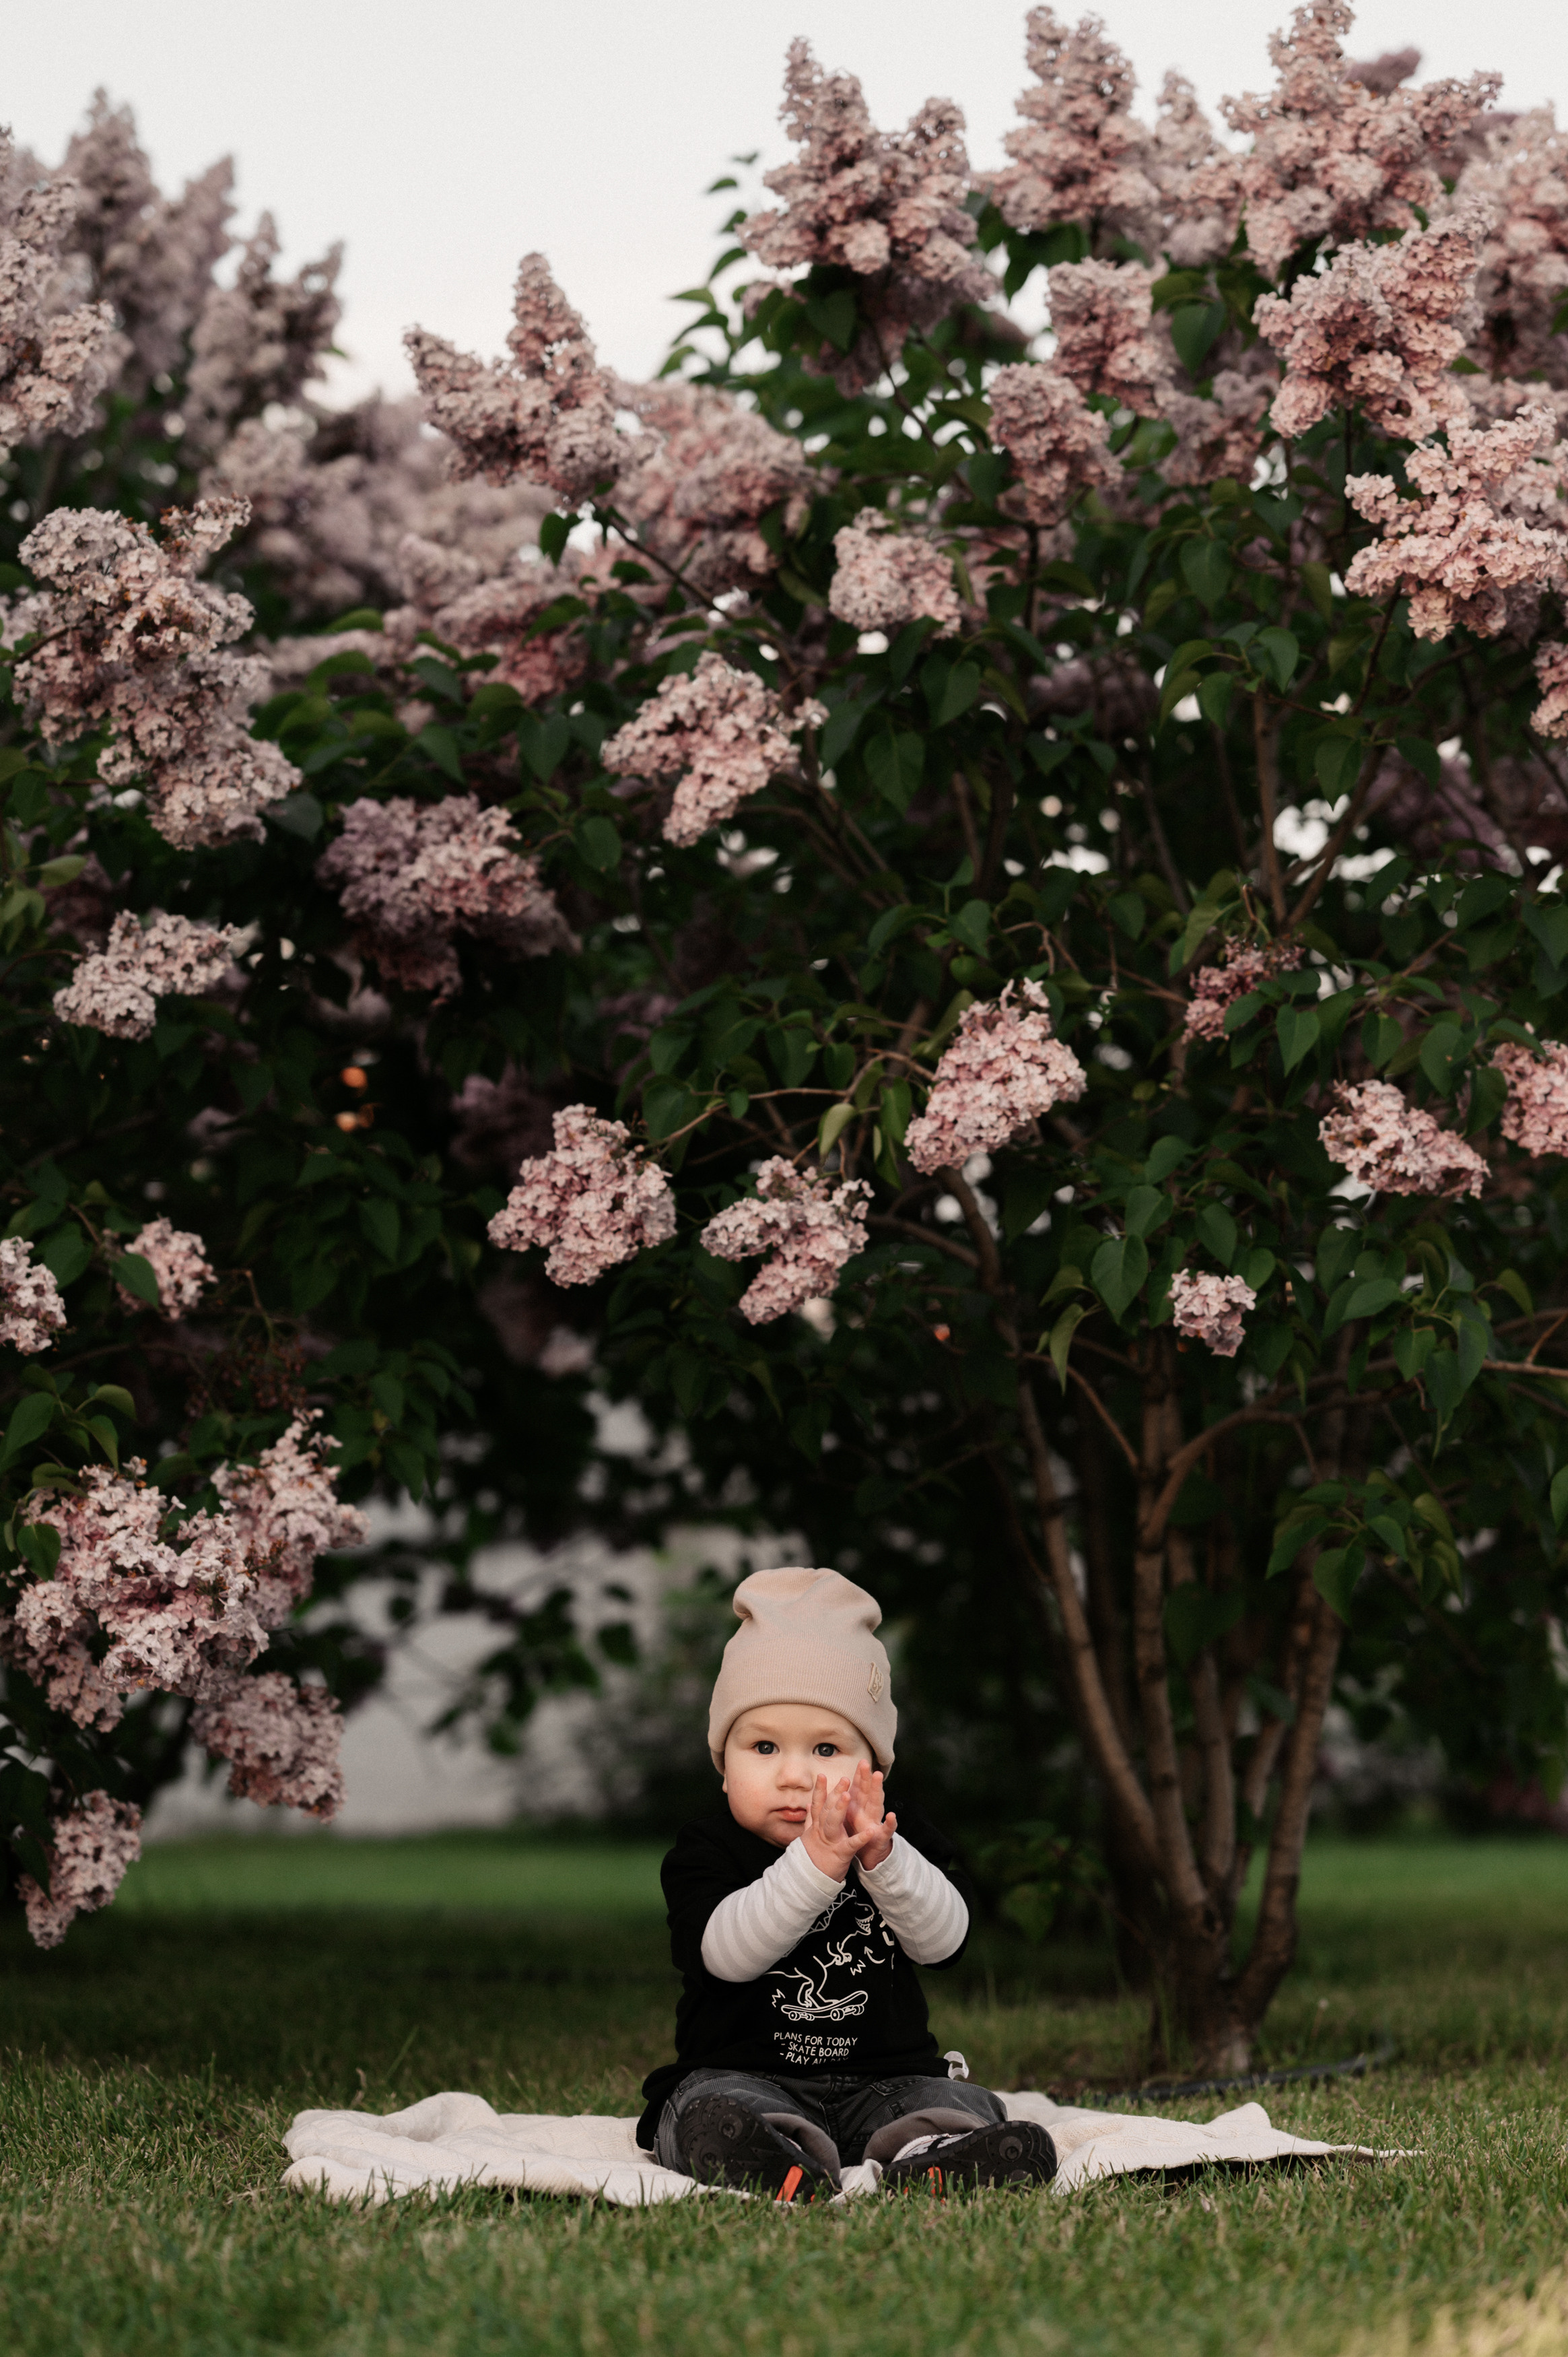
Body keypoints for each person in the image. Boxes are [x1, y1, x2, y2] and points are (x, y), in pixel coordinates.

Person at [636, 1564, 1058, 2202]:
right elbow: (726, 1957)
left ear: (874, 1767)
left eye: (827, 1751)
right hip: (745, 2075)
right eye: (764, 1747)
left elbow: (944, 1944)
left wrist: (883, 1861)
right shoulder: (707, 1847)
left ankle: (934, 2156)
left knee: (949, 2098)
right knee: (704, 2105)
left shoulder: (896, 1836)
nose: (794, 1775)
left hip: (884, 2081)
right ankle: (771, 2153)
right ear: (723, 1766)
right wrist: (815, 1865)